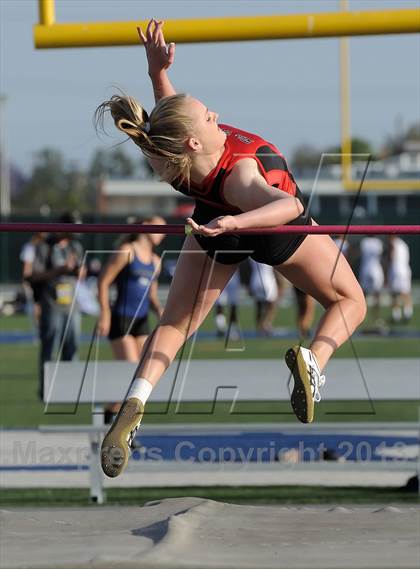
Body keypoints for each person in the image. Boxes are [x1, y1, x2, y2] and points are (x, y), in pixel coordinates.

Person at [98, 19, 366, 477]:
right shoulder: (242, 174)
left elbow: (168, 116)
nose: (217, 114)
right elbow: (288, 204)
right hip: (261, 219)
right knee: (351, 300)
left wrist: (156, 72)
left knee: (176, 325)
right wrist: (236, 221)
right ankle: (314, 362)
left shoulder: (167, 155)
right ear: (196, 140)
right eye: (208, 117)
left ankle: (135, 401)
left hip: (216, 219)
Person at [97, 216, 166, 420]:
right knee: (131, 375)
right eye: (160, 229)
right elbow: (103, 282)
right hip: (122, 319)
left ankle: (116, 421)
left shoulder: (155, 261)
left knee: (141, 378)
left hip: (142, 321)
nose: (164, 233)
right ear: (146, 227)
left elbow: (151, 295)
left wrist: (161, 312)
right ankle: (112, 422)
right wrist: (105, 315)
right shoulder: (126, 251)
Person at [29, 213, 84, 400]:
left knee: (73, 347)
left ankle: (71, 389)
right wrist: (59, 270)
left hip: (71, 304)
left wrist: (78, 270)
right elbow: (34, 276)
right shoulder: (45, 246)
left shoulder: (75, 246)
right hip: (51, 304)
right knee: (49, 346)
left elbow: (81, 274)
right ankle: (46, 389)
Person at [386, 235, 413, 323]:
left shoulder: (393, 243)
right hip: (405, 270)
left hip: (395, 270)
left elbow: (391, 256)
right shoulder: (403, 244)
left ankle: (396, 315)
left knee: (394, 294)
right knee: (405, 292)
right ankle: (407, 313)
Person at [359, 235, 384, 324]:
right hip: (376, 270)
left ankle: (361, 316)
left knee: (363, 295)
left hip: (366, 269)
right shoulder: (378, 242)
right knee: (376, 295)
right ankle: (376, 316)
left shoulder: (364, 241)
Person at [249, 259, 279, 335]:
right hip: (268, 280)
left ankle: (258, 327)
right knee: (272, 304)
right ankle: (266, 323)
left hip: (255, 279)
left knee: (259, 306)